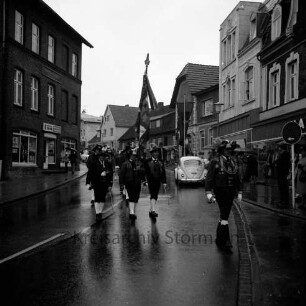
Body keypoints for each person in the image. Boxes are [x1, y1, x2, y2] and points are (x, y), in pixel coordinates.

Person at [205, 138, 243, 251]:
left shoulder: (233, 162)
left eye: (230, 149)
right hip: (220, 192)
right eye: (226, 149)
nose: (228, 151)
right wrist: (208, 192)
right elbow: (209, 178)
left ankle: (219, 237)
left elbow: (237, 178)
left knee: (224, 215)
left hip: (230, 192)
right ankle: (227, 240)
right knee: (225, 215)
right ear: (221, 150)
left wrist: (240, 191)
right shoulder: (215, 162)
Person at [119, 147, 146, 221]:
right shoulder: (125, 164)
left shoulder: (139, 163)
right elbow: (121, 174)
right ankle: (131, 212)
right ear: (129, 156)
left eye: (134, 155)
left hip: (137, 183)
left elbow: (144, 171)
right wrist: (121, 184)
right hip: (129, 183)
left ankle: (133, 210)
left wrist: (140, 170)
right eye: (132, 155)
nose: (134, 157)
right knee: (131, 197)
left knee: (136, 198)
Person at [87, 150, 113, 221]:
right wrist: (88, 183)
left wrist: (110, 184)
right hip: (97, 183)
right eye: (101, 156)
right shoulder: (94, 164)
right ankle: (97, 213)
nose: (102, 158)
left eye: (103, 157)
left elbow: (111, 174)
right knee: (97, 199)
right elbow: (89, 174)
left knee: (102, 199)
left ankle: (100, 212)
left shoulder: (107, 164)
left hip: (105, 184)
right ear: (98, 157)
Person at [144, 145, 167, 219]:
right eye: (155, 152)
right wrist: (145, 181)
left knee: (155, 195)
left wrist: (164, 182)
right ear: (152, 153)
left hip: (158, 180)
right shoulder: (147, 161)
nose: (157, 154)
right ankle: (153, 210)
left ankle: (151, 210)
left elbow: (163, 172)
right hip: (150, 180)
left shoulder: (161, 161)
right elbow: (145, 172)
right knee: (153, 194)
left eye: (157, 152)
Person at [274, 143, 291, 208]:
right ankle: (282, 200)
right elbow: (277, 161)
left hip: (283, 173)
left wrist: (277, 163)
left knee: (284, 187)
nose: (278, 149)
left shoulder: (286, 154)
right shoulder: (281, 154)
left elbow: (283, 163)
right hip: (280, 173)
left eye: (279, 147)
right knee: (281, 187)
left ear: (282, 148)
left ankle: (285, 201)